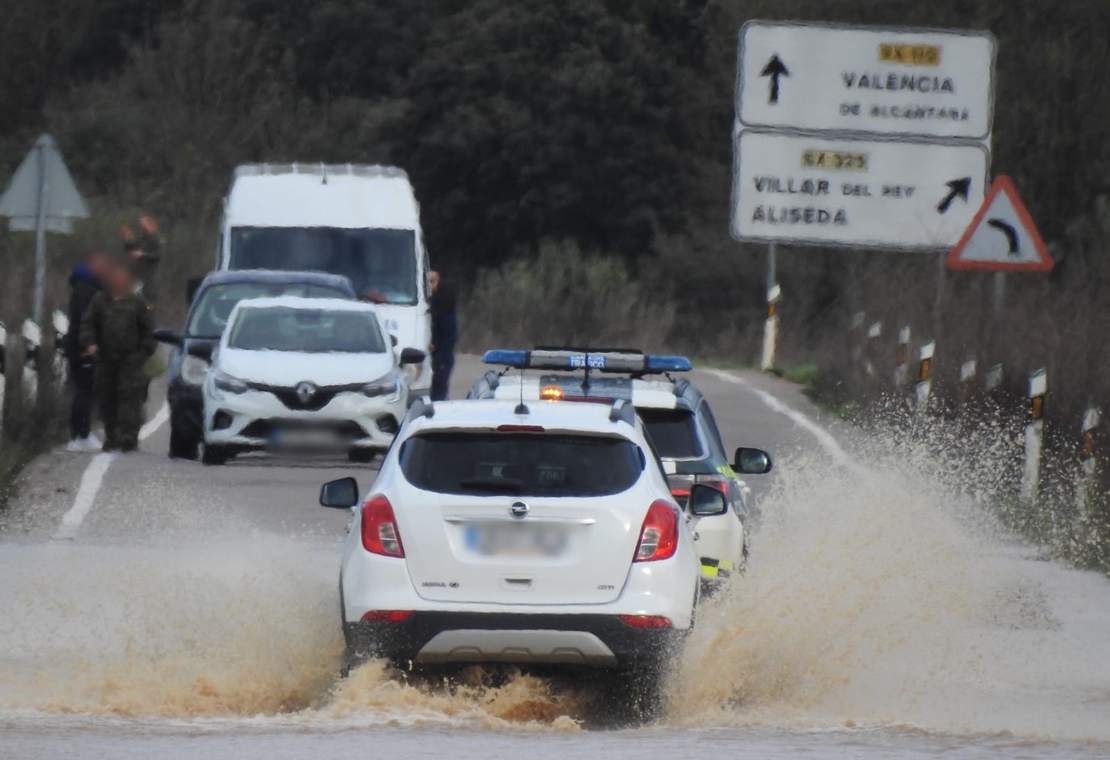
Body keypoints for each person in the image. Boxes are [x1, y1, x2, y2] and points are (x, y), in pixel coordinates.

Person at [79, 265, 156, 452]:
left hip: (131, 358)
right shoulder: (99, 301)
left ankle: (129, 435)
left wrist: (143, 352)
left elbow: (149, 331)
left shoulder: (137, 303)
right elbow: (88, 325)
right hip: (105, 358)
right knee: (107, 397)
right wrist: (90, 343)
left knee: (130, 396)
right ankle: (111, 435)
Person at [63, 251, 111, 452]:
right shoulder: (85, 291)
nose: (105, 271)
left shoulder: (88, 287)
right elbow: (82, 322)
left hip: (80, 346)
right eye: (102, 267)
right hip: (82, 348)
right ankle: (80, 435)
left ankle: (80, 433)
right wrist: (86, 346)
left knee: (86, 390)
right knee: (85, 391)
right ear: (93, 267)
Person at [428, 270, 458, 402]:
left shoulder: (444, 315)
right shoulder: (441, 312)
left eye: (432, 282)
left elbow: (445, 337)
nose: (430, 286)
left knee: (438, 392)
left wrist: (434, 346)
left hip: (442, 357)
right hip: (442, 356)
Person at [122, 215, 164, 303]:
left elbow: (158, 254)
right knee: (134, 296)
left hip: (148, 276)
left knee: (144, 298)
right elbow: (131, 247)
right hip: (137, 274)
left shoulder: (156, 238)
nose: (141, 225)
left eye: (143, 223)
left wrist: (143, 254)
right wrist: (128, 237)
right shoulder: (142, 238)